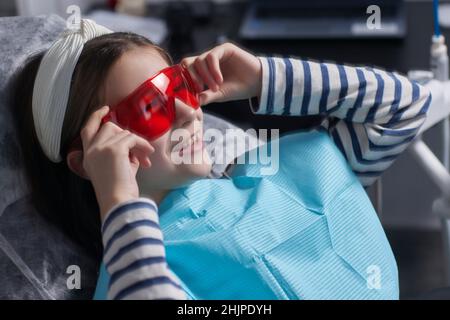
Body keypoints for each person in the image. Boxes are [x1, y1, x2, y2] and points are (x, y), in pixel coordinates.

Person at [13, 20, 431, 299]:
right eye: (150, 109)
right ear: (90, 160)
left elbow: (405, 107)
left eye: (181, 88)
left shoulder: (280, 170)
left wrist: (264, 79)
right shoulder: (136, 270)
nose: (190, 114)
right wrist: (119, 202)